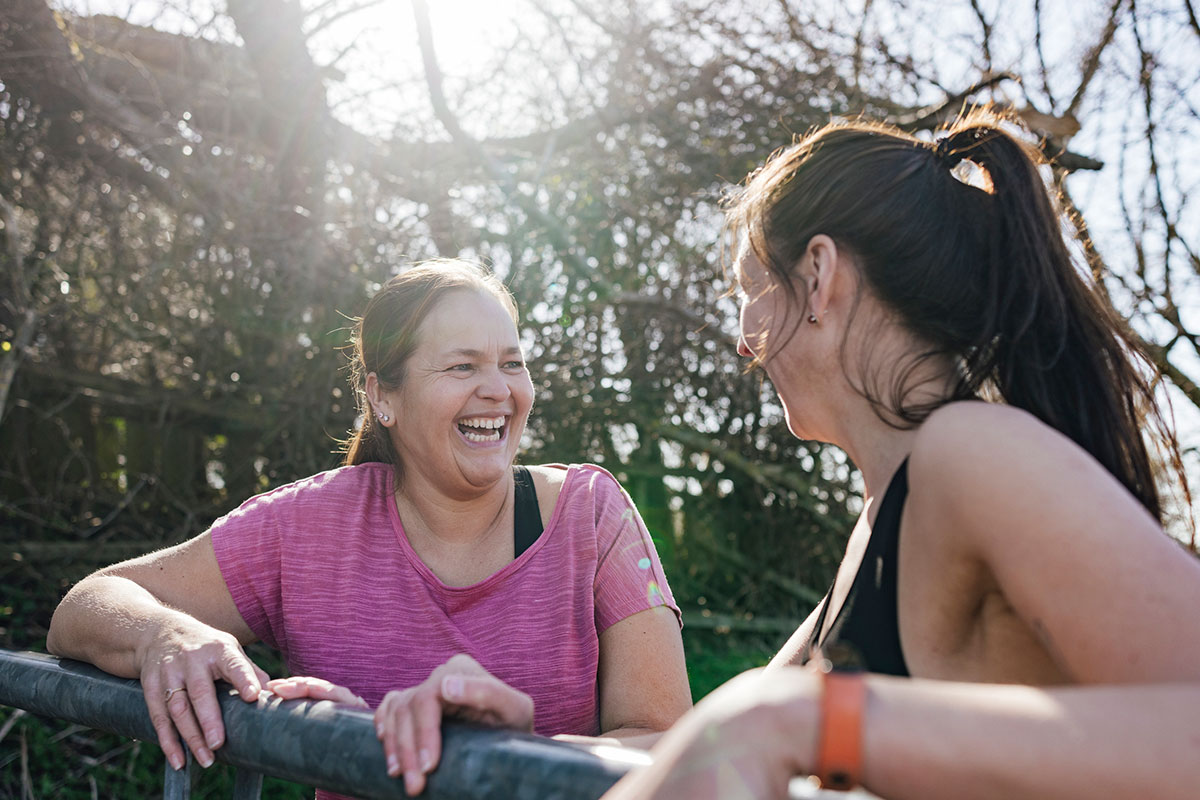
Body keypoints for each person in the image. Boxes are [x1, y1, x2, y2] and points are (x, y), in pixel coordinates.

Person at [603, 110, 1200, 800]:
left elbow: (780, 725)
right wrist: (521, 729)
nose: (745, 340)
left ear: (820, 275)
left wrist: (804, 722)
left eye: (751, 290)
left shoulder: (973, 453)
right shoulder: (881, 517)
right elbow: (712, 743)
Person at [48, 260, 691, 799]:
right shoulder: (306, 528)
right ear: (383, 396)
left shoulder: (591, 514)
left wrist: (495, 757)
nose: (498, 389)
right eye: (462, 367)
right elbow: (85, 607)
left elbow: (667, 744)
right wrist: (165, 631)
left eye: (512, 363)